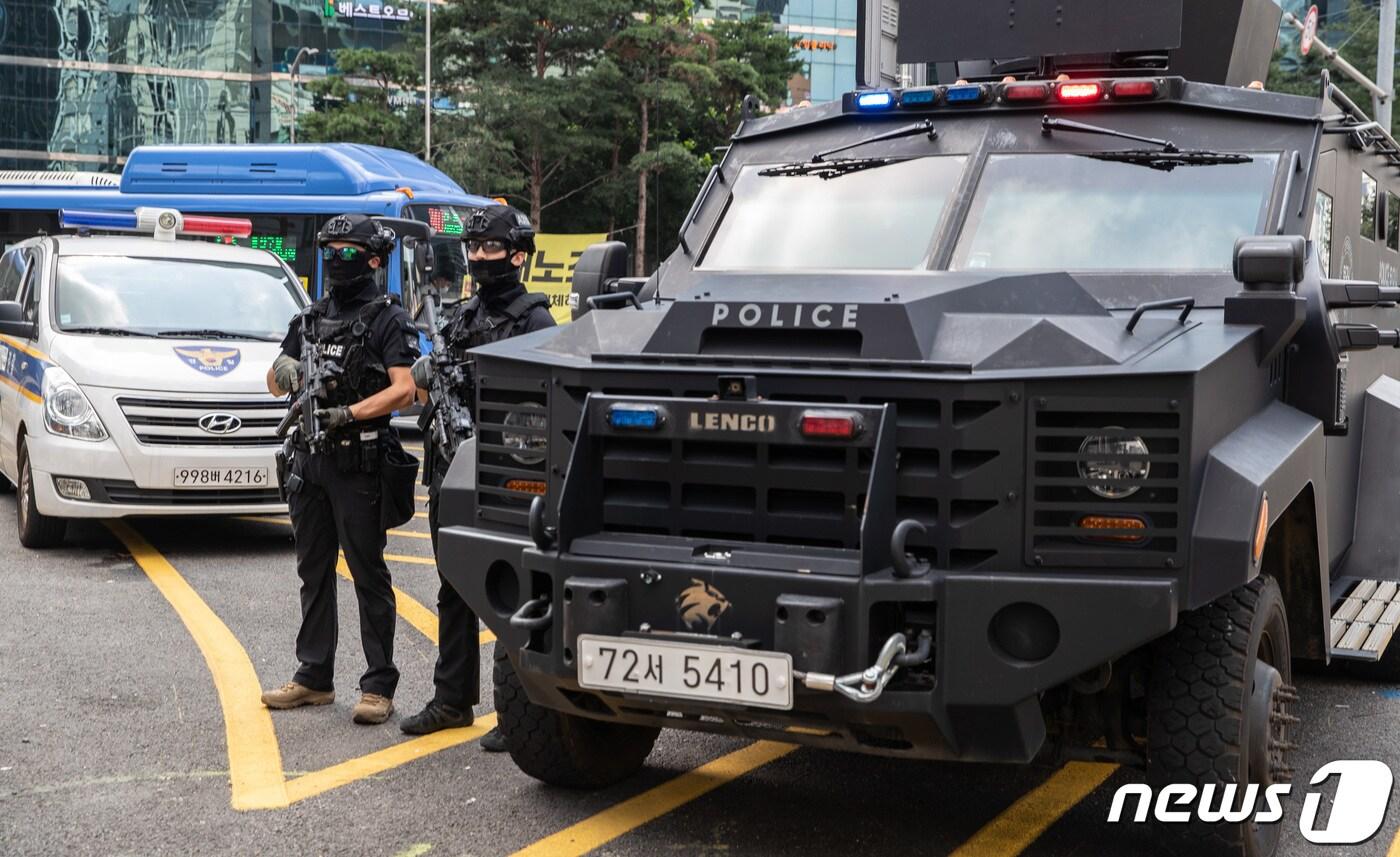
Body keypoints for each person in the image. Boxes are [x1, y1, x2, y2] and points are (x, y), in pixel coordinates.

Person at [401, 204, 555, 749]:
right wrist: (428, 377)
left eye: (490, 248)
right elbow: (432, 387)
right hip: (451, 468)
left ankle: (519, 711)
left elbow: (545, 402)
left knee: (512, 592)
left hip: (505, 475)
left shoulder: (534, 320)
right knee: (453, 586)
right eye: (473, 248)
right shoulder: (461, 318)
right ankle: (451, 700)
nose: (479, 257)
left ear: (517, 255)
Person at [260, 213, 421, 725]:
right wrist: (287, 373)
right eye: (330, 250)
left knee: (368, 572)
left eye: (348, 251)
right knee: (313, 570)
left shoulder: (386, 318)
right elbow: (271, 378)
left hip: (359, 461)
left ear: (374, 259)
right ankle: (313, 677)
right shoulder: (310, 318)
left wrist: (349, 412)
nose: (336, 259)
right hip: (311, 462)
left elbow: (406, 388)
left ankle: (378, 686)